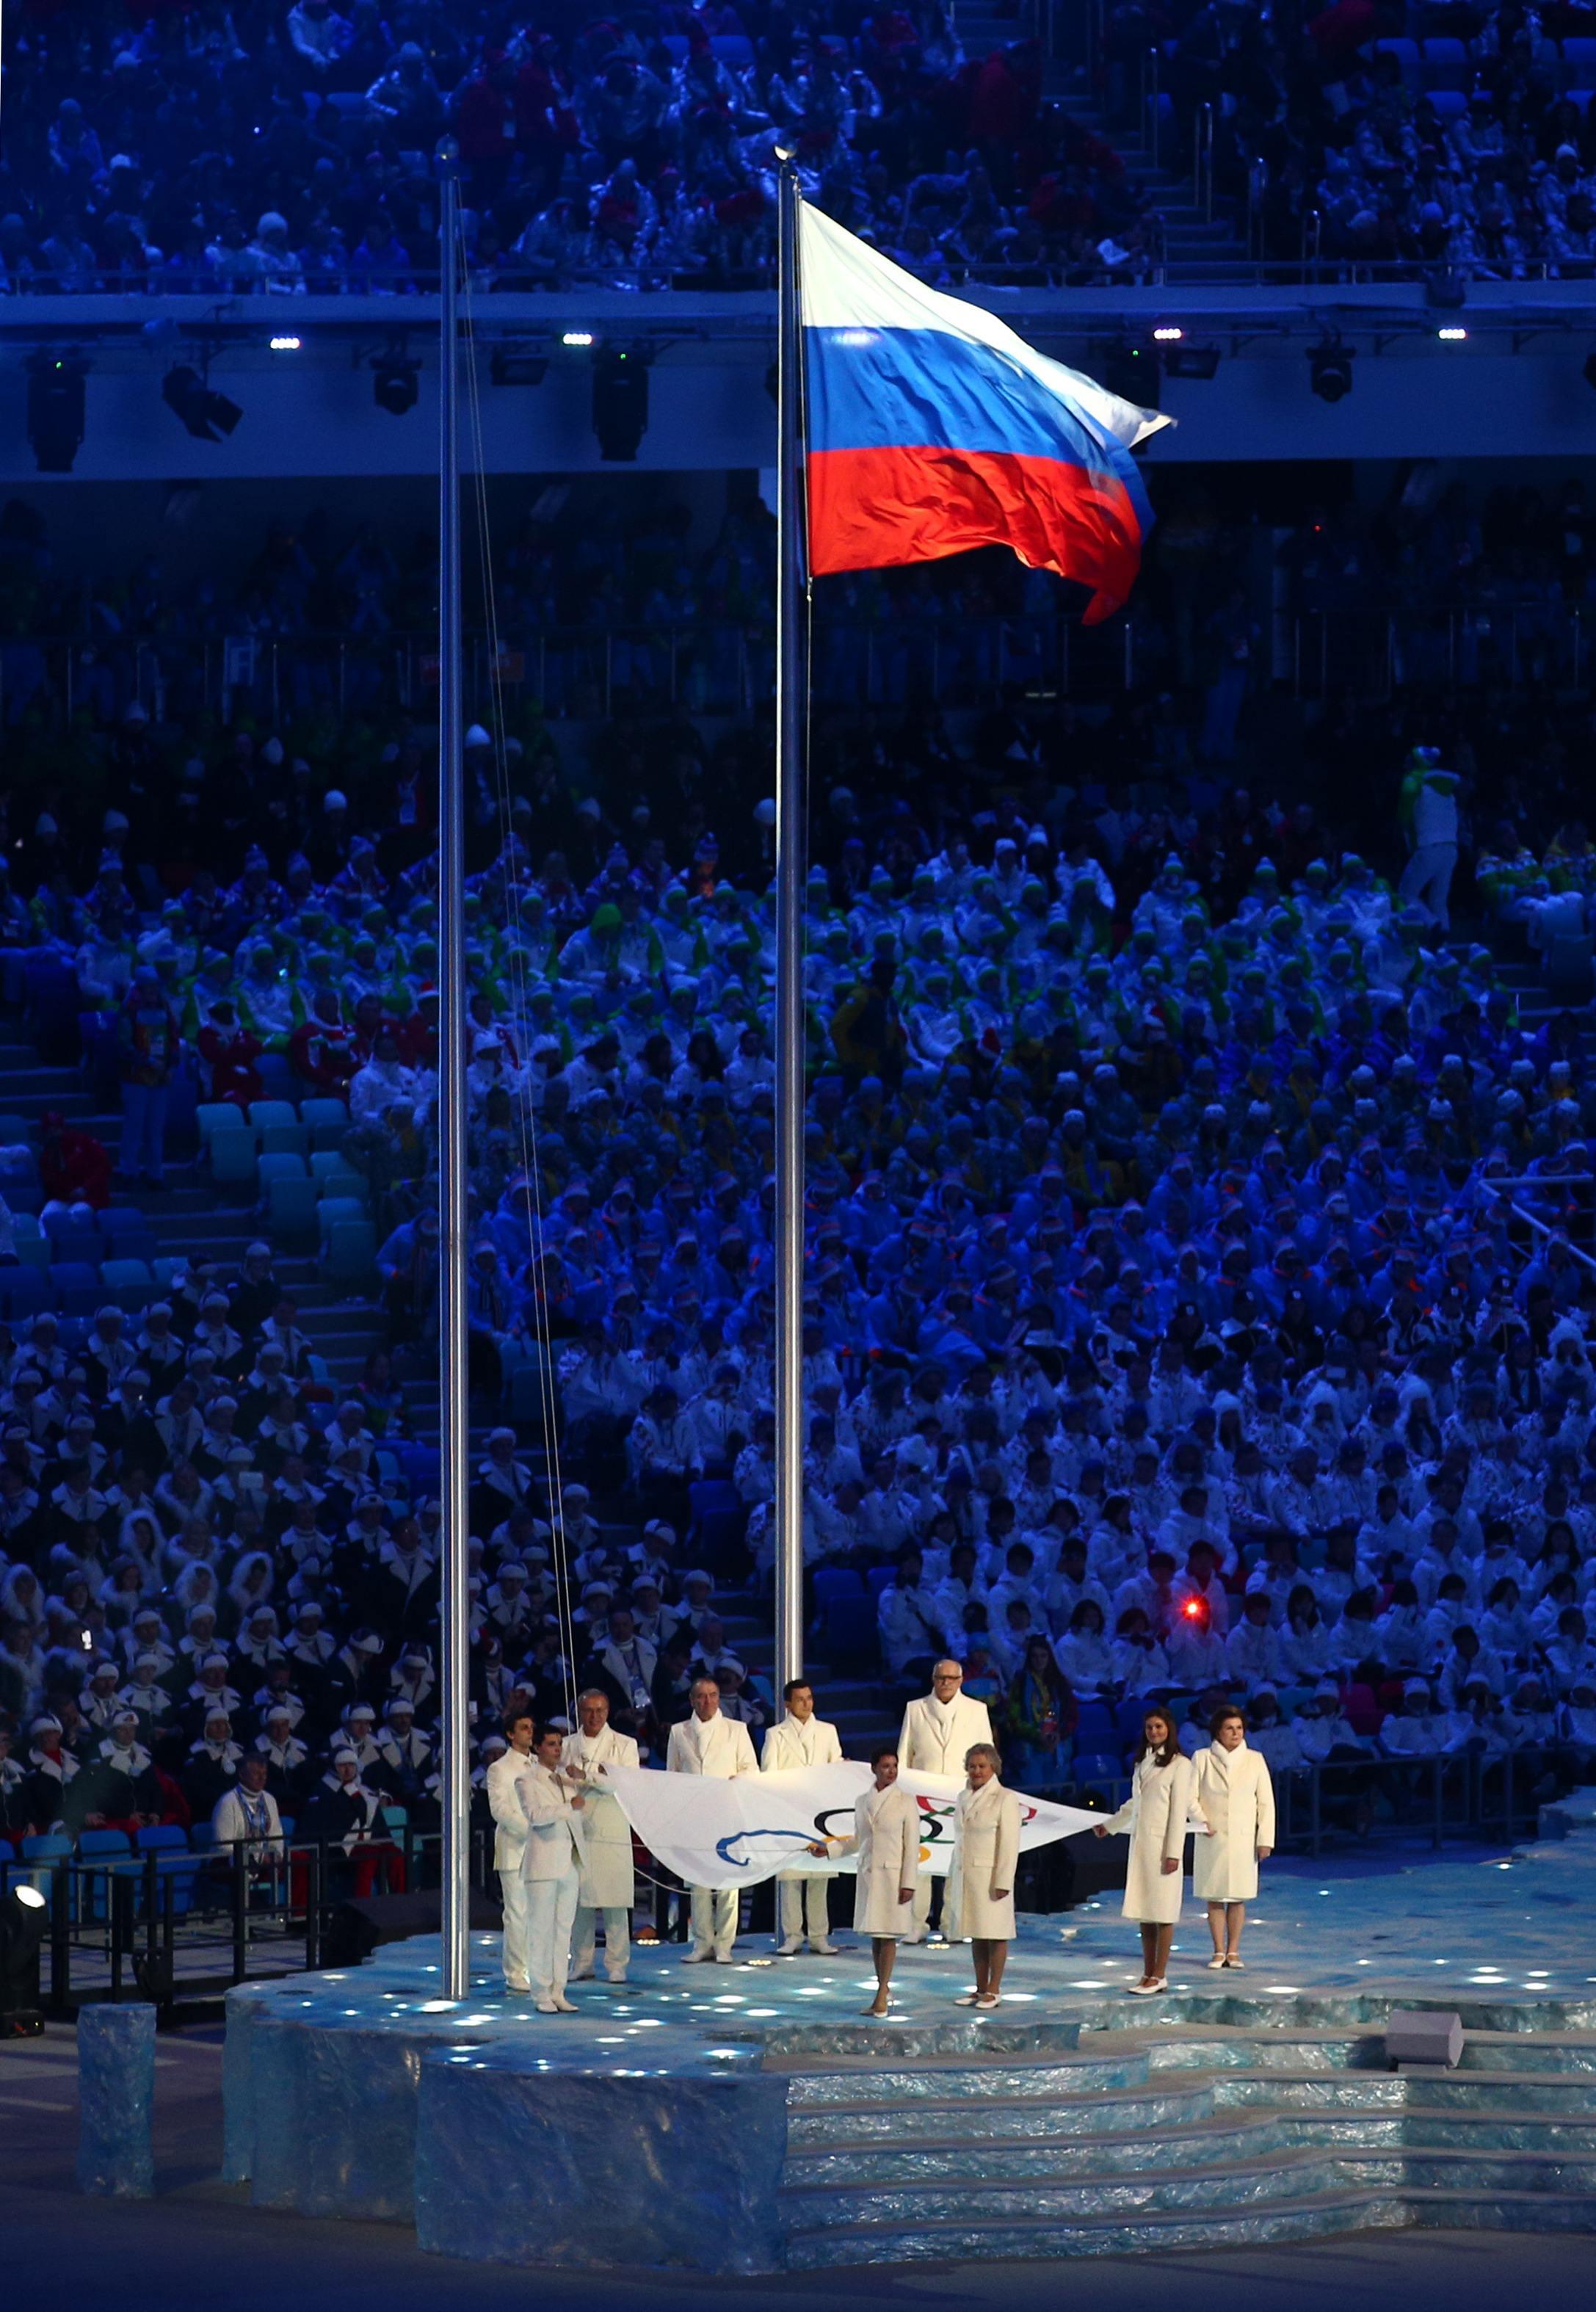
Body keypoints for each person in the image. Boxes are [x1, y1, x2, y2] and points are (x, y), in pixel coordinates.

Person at [1093, 1704, 1197, 1996]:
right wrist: (1110, 1825)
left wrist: (1174, 1852)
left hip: (1163, 1846)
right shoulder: (1143, 1763)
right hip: (1142, 1846)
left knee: (1162, 1912)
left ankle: (1160, 1973)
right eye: (1150, 1727)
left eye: (1159, 1727)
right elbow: (1135, 1805)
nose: (1154, 1732)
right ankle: (1147, 1972)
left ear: (1169, 1729)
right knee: (1146, 1912)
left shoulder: (1180, 1764)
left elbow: (1178, 1812)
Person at [810, 1742, 919, 2016]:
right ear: (874, 1769)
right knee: (876, 1936)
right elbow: (859, 1840)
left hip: (893, 1877)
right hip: (870, 1876)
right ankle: (881, 1990)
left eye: (894, 1766)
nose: (891, 1771)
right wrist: (829, 1850)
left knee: (888, 1936)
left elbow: (912, 1845)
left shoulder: (906, 1802)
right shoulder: (862, 1801)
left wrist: (909, 1882)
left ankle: (883, 1991)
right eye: (886, 1766)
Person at [897, 1657, 993, 1941]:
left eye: (951, 1678)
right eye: (941, 1678)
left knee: (957, 1861)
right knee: (921, 1860)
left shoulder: (977, 1711)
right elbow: (904, 1754)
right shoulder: (915, 1709)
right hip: (922, 1796)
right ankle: (916, 1925)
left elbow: (985, 1753)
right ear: (933, 1679)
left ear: (961, 1680)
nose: (946, 1683)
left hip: (961, 1795)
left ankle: (953, 1924)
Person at [664, 1673, 758, 1961]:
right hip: (695, 1816)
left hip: (727, 1813)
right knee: (699, 1880)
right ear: (693, 1700)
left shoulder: (736, 1729)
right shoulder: (679, 1732)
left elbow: (751, 1770)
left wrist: (736, 1781)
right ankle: (702, 1941)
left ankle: (725, 1943)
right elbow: (673, 1775)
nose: (708, 1701)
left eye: (713, 1695)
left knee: (728, 1881)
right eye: (702, 1696)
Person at [559, 1687, 639, 1985]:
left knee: (615, 1901)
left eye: (600, 1711)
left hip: (612, 1825)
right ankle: (582, 1962)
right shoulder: (566, 1744)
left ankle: (617, 1964)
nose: (594, 1716)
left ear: (608, 1712)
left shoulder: (624, 1744)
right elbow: (560, 1779)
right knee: (580, 1901)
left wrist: (588, 1777)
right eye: (589, 1711)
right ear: (580, 1712)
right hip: (577, 1826)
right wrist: (592, 1779)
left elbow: (622, 1783)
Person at [761, 1676, 843, 1956]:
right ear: (787, 1703)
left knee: (819, 1875)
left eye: (809, 1698)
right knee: (792, 1876)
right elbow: (769, 1773)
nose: (806, 1703)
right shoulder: (776, 1734)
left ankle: (819, 1935)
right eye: (800, 1699)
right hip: (790, 1811)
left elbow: (837, 1768)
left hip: (822, 1812)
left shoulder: (828, 1731)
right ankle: (793, 1934)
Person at [1191, 1702, 1274, 1971]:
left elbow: (1265, 1803)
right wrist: (1201, 1821)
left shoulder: (1255, 1759)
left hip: (1242, 1838)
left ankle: (1234, 1950)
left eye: (1239, 1728)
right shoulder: (1202, 1758)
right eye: (1229, 1728)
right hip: (1211, 1836)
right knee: (1214, 1895)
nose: (1235, 1733)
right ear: (1218, 1731)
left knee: (1238, 1896)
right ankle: (1218, 1951)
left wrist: (1265, 1839)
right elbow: (1189, 1797)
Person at [518, 1720, 587, 2014]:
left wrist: (581, 1778)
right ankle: (541, 1992)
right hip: (543, 1864)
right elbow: (535, 1815)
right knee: (541, 1931)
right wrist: (568, 1807)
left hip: (569, 1863)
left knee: (563, 1931)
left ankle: (559, 1990)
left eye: (559, 1744)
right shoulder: (526, 1780)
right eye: (551, 1744)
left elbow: (601, 1789)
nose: (557, 1749)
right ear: (537, 1747)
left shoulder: (565, 1778)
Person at [946, 1742, 1021, 2011]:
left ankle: (994, 1989)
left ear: (994, 1768)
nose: (976, 1771)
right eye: (972, 1766)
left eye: (982, 1766)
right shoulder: (962, 1797)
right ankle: (980, 1988)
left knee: (995, 1933)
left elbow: (1009, 1843)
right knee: (977, 1933)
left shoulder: (1005, 1799)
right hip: (969, 1876)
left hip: (991, 1876)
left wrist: (1003, 1880)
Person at [487, 1704, 537, 1993]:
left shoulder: (539, 1764)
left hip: (540, 1849)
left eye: (531, 1727)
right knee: (517, 1913)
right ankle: (516, 1972)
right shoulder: (499, 1769)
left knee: (537, 1912)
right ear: (510, 1734)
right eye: (523, 1728)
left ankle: (536, 1967)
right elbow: (501, 1811)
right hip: (515, 1848)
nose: (530, 1732)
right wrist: (534, 1829)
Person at [211, 1752, 283, 1861]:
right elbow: (223, 1846)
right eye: (256, 1773)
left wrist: (277, 1855)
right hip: (231, 1866)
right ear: (242, 1774)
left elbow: (276, 1835)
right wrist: (257, 1858)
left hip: (265, 1863)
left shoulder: (270, 1799)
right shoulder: (227, 1803)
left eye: (264, 1774)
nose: (262, 1778)